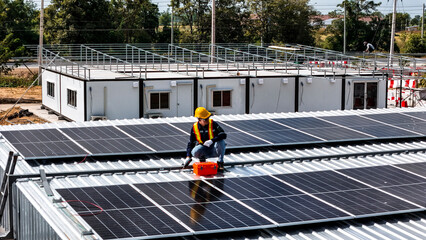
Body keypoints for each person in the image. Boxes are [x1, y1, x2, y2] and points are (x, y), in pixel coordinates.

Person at [183, 107, 227, 171]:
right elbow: (191, 143)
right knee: (194, 152)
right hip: (204, 149)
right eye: (205, 119)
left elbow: (223, 135)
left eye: (208, 118)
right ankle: (202, 158)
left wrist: (212, 140)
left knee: (221, 142)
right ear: (199, 119)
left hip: (215, 148)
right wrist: (188, 157)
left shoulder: (213, 124)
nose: (207, 120)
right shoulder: (195, 128)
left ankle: (220, 162)